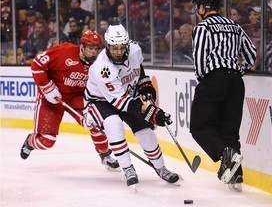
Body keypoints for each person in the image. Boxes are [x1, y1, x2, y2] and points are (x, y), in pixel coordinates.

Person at [84, 24, 180, 187]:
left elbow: (139, 71)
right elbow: (121, 103)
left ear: (127, 45)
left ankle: (161, 168)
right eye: (114, 48)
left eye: (121, 47)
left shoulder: (135, 50)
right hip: (100, 102)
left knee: (145, 131)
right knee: (113, 124)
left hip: (126, 96)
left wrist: (145, 85)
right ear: (107, 46)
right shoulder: (103, 68)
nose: (118, 52)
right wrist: (151, 112)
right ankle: (127, 168)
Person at [20, 30, 119, 171]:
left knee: (95, 123)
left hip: (77, 97)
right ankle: (30, 142)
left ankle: (105, 155)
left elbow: (102, 86)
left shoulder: (100, 63)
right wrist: (47, 87)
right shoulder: (64, 51)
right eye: (90, 48)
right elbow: (37, 64)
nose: (93, 52)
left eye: (96, 49)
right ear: (82, 46)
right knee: (47, 141)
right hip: (52, 98)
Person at [190, 0, 256, 192]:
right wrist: (236, 72)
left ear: (203, 8)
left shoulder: (202, 27)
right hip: (236, 82)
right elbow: (251, 55)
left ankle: (224, 153)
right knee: (229, 130)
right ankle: (235, 175)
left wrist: (208, 80)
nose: (196, 11)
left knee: (199, 126)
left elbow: (200, 62)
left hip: (214, 79)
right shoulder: (235, 26)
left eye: (198, 7)